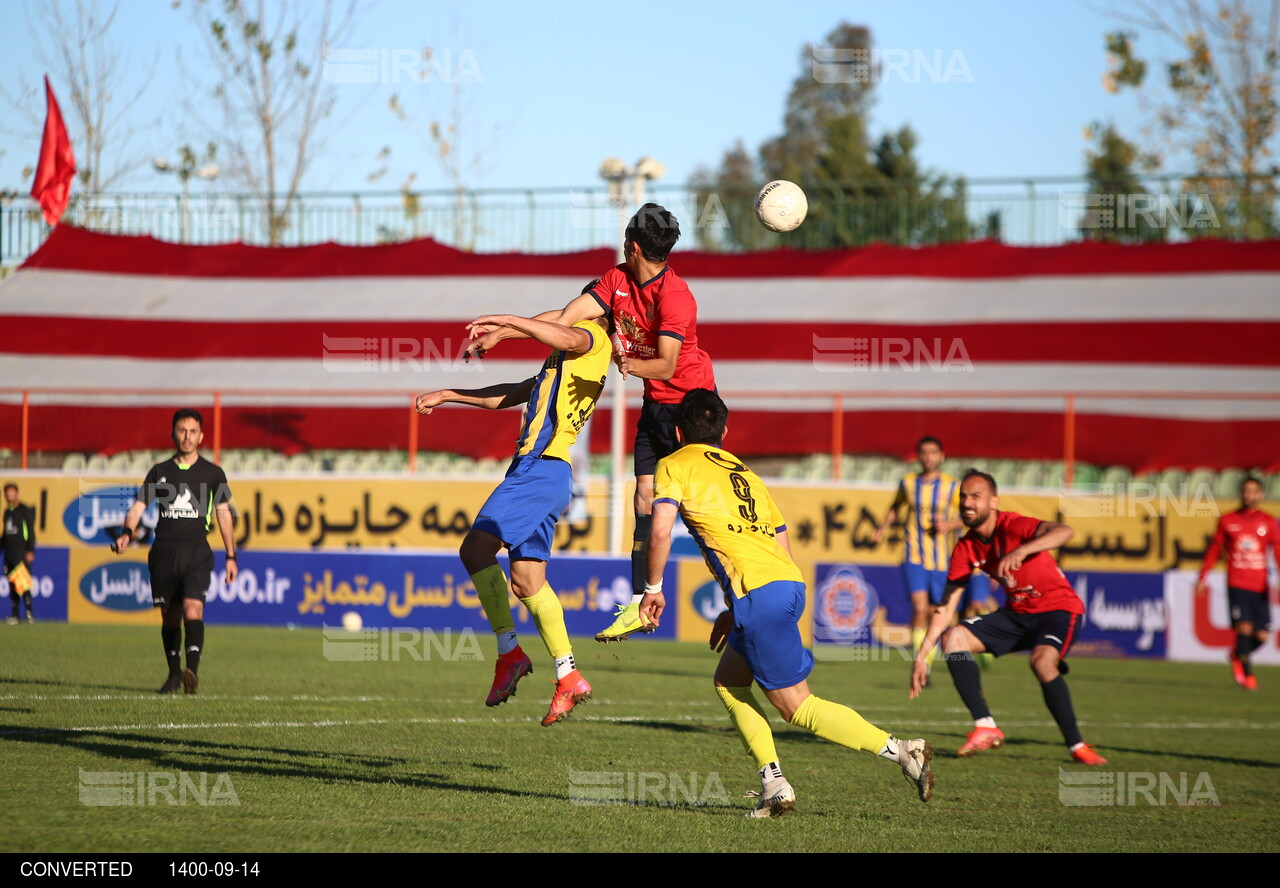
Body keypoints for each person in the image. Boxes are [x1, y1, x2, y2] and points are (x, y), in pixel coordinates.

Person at [639, 390, 934, 817]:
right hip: (785, 584)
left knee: (798, 708)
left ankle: (903, 752)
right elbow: (777, 537)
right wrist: (740, 606)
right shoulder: (745, 471)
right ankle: (772, 783)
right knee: (730, 682)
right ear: (725, 432)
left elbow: (661, 529)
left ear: (679, 432)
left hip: (761, 594)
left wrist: (653, 587)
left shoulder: (674, 463)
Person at [465, 203, 715, 643]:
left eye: (624, 241)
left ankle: (739, 594)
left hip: (693, 408)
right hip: (656, 408)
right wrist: (507, 331)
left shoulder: (676, 296)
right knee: (643, 499)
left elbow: (666, 364)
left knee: (702, 511)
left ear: (633, 245)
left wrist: (625, 361)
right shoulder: (617, 279)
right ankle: (642, 601)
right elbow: (564, 320)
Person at [417, 313, 611, 726]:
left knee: (475, 548)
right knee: (527, 581)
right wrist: (449, 394)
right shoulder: (563, 363)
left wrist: (504, 323)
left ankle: (509, 652)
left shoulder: (590, 337)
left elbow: (558, 327)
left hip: (539, 469)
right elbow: (505, 396)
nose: (572, 308)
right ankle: (569, 674)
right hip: (549, 474)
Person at [910, 470, 1106, 765]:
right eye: (963, 496)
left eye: (975, 496)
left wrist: (1024, 549)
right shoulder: (966, 546)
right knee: (953, 638)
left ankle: (1076, 745)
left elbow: (1065, 532)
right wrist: (922, 655)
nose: (966, 503)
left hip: (1058, 611)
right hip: (1017, 615)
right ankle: (985, 726)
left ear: (993, 502)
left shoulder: (1013, 525)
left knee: (1042, 662)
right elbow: (946, 607)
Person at [113, 409, 237, 695]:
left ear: (201, 436)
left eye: (193, 431)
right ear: (172, 434)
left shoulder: (213, 473)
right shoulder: (160, 471)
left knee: (194, 608)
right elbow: (138, 508)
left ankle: (191, 670)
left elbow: (224, 514)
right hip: (164, 551)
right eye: (182, 430)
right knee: (170, 615)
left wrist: (232, 555)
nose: (187, 436)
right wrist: (126, 533)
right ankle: (173, 675)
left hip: (196, 551)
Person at [872, 437, 964, 675]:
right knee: (919, 606)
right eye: (923, 452)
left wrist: (950, 524)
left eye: (933, 452)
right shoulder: (908, 483)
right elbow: (896, 506)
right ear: (919, 456)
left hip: (942, 559)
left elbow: (969, 516)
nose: (928, 457)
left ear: (941, 456)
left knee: (936, 609)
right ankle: (923, 659)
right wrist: (882, 528)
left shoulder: (952, 486)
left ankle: (928, 654)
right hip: (913, 555)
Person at [1196, 477, 1279, 691]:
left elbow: (1278, 552)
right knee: (1244, 627)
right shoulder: (1227, 520)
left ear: (1261, 495)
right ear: (1241, 493)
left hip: (1260, 585)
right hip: (1237, 583)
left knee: (1262, 635)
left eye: (1253, 491)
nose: (1249, 495)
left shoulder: (1269, 522)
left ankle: (1237, 655)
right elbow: (1215, 550)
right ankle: (1248, 676)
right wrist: (1203, 576)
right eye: (1245, 491)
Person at [3, 483, 37, 624]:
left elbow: (30, 532)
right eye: (7, 494)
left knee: (22, 584)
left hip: (20, 552)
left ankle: (29, 613)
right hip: (9, 553)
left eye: (12, 493)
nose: (10, 496)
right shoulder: (7, 512)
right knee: (12, 584)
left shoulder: (24, 511)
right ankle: (15, 615)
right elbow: (5, 534)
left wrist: (30, 550)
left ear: (17, 494)